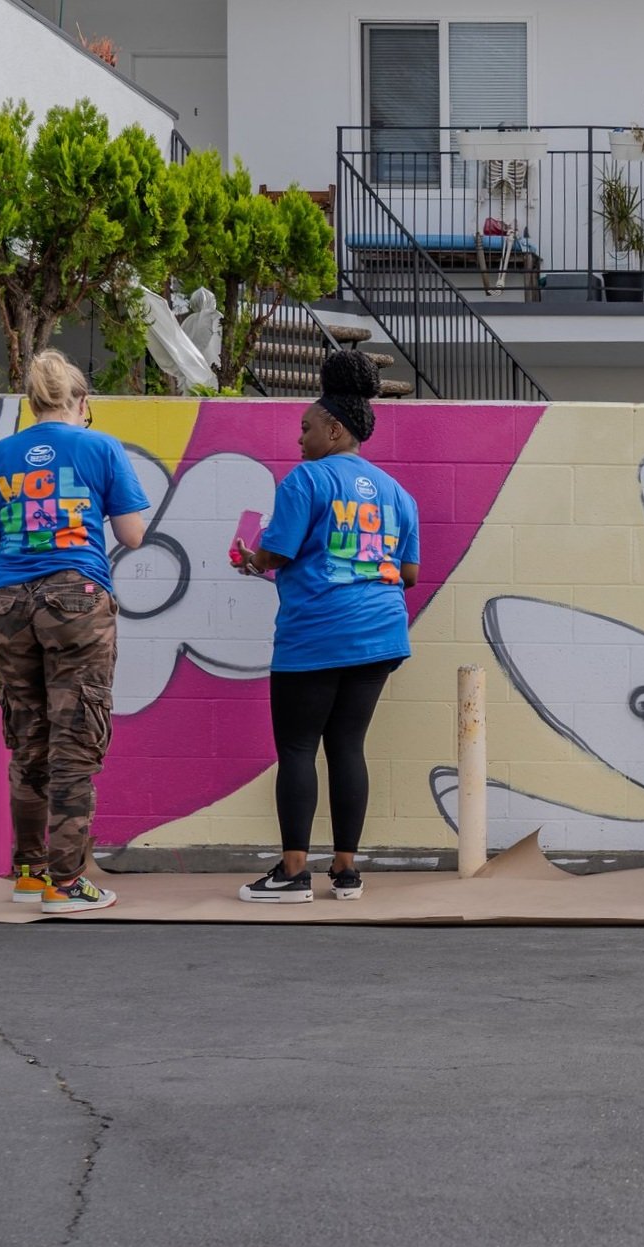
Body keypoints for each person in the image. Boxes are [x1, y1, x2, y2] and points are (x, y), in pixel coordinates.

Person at [232, 351, 419, 903]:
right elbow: (409, 574)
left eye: (306, 427)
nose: (300, 438)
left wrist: (250, 558)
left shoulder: (306, 481)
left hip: (315, 635)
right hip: (380, 637)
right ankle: (345, 871)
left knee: (297, 748)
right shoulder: (396, 493)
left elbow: (275, 555)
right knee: (348, 747)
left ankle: (293, 873)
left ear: (334, 429)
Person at [0, 350, 151, 914]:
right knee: (75, 737)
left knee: (28, 737)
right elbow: (133, 534)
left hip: (6, 600)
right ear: (82, 402)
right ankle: (67, 882)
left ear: (32, 402)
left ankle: (29, 871)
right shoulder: (101, 448)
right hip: (76, 597)